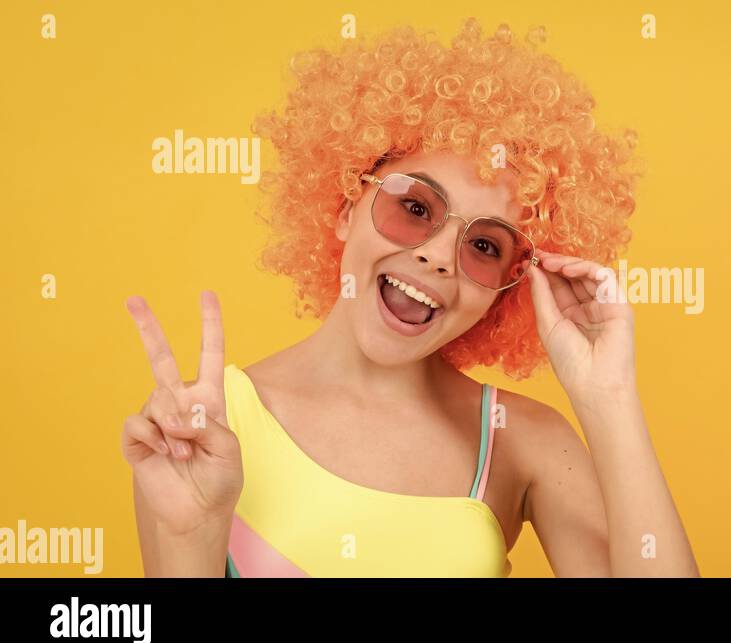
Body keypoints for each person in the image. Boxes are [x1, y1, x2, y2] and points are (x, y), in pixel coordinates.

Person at [119, 19, 698, 577]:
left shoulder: (524, 442)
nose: (440, 257)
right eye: (416, 207)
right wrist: (189, 539)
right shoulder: (204, 425)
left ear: (508, 288)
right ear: (345, 206)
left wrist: (608, 396)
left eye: (484, 246)